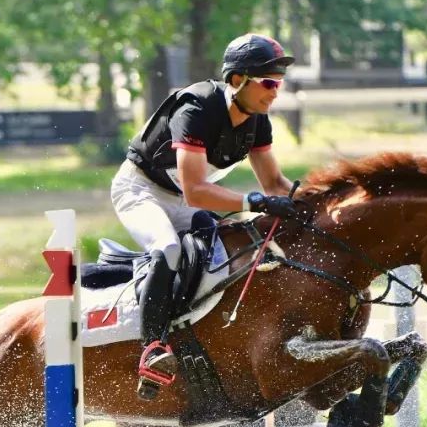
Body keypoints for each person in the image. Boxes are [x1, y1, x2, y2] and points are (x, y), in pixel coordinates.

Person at [112, 33, 300, 400]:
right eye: (268, 82)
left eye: (279, 82)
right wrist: (255, 201)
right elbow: (197, 189)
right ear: (236, 80)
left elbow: (275, 182)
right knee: (168, 249)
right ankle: (152, 349)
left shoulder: (257, 120)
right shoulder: (196, 109)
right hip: (141, 191)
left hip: (185, 197)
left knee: (230, 252)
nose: (275, 91)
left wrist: (319, 205)